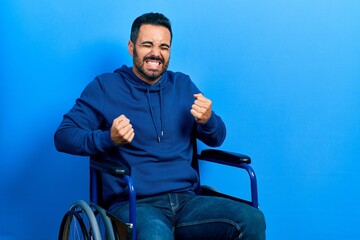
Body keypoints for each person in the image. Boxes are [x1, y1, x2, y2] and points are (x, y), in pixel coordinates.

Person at [54, 12, 266, 240]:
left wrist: (208, 120)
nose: (156, 53)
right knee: (155, 235)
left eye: (164, 47)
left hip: (187, 201)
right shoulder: (105, 87)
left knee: (251, 219)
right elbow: (63, 136)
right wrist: (108, 138)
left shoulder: (182, 85)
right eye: (147, 45)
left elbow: (217, 137)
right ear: (131, 47)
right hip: (135, 203)